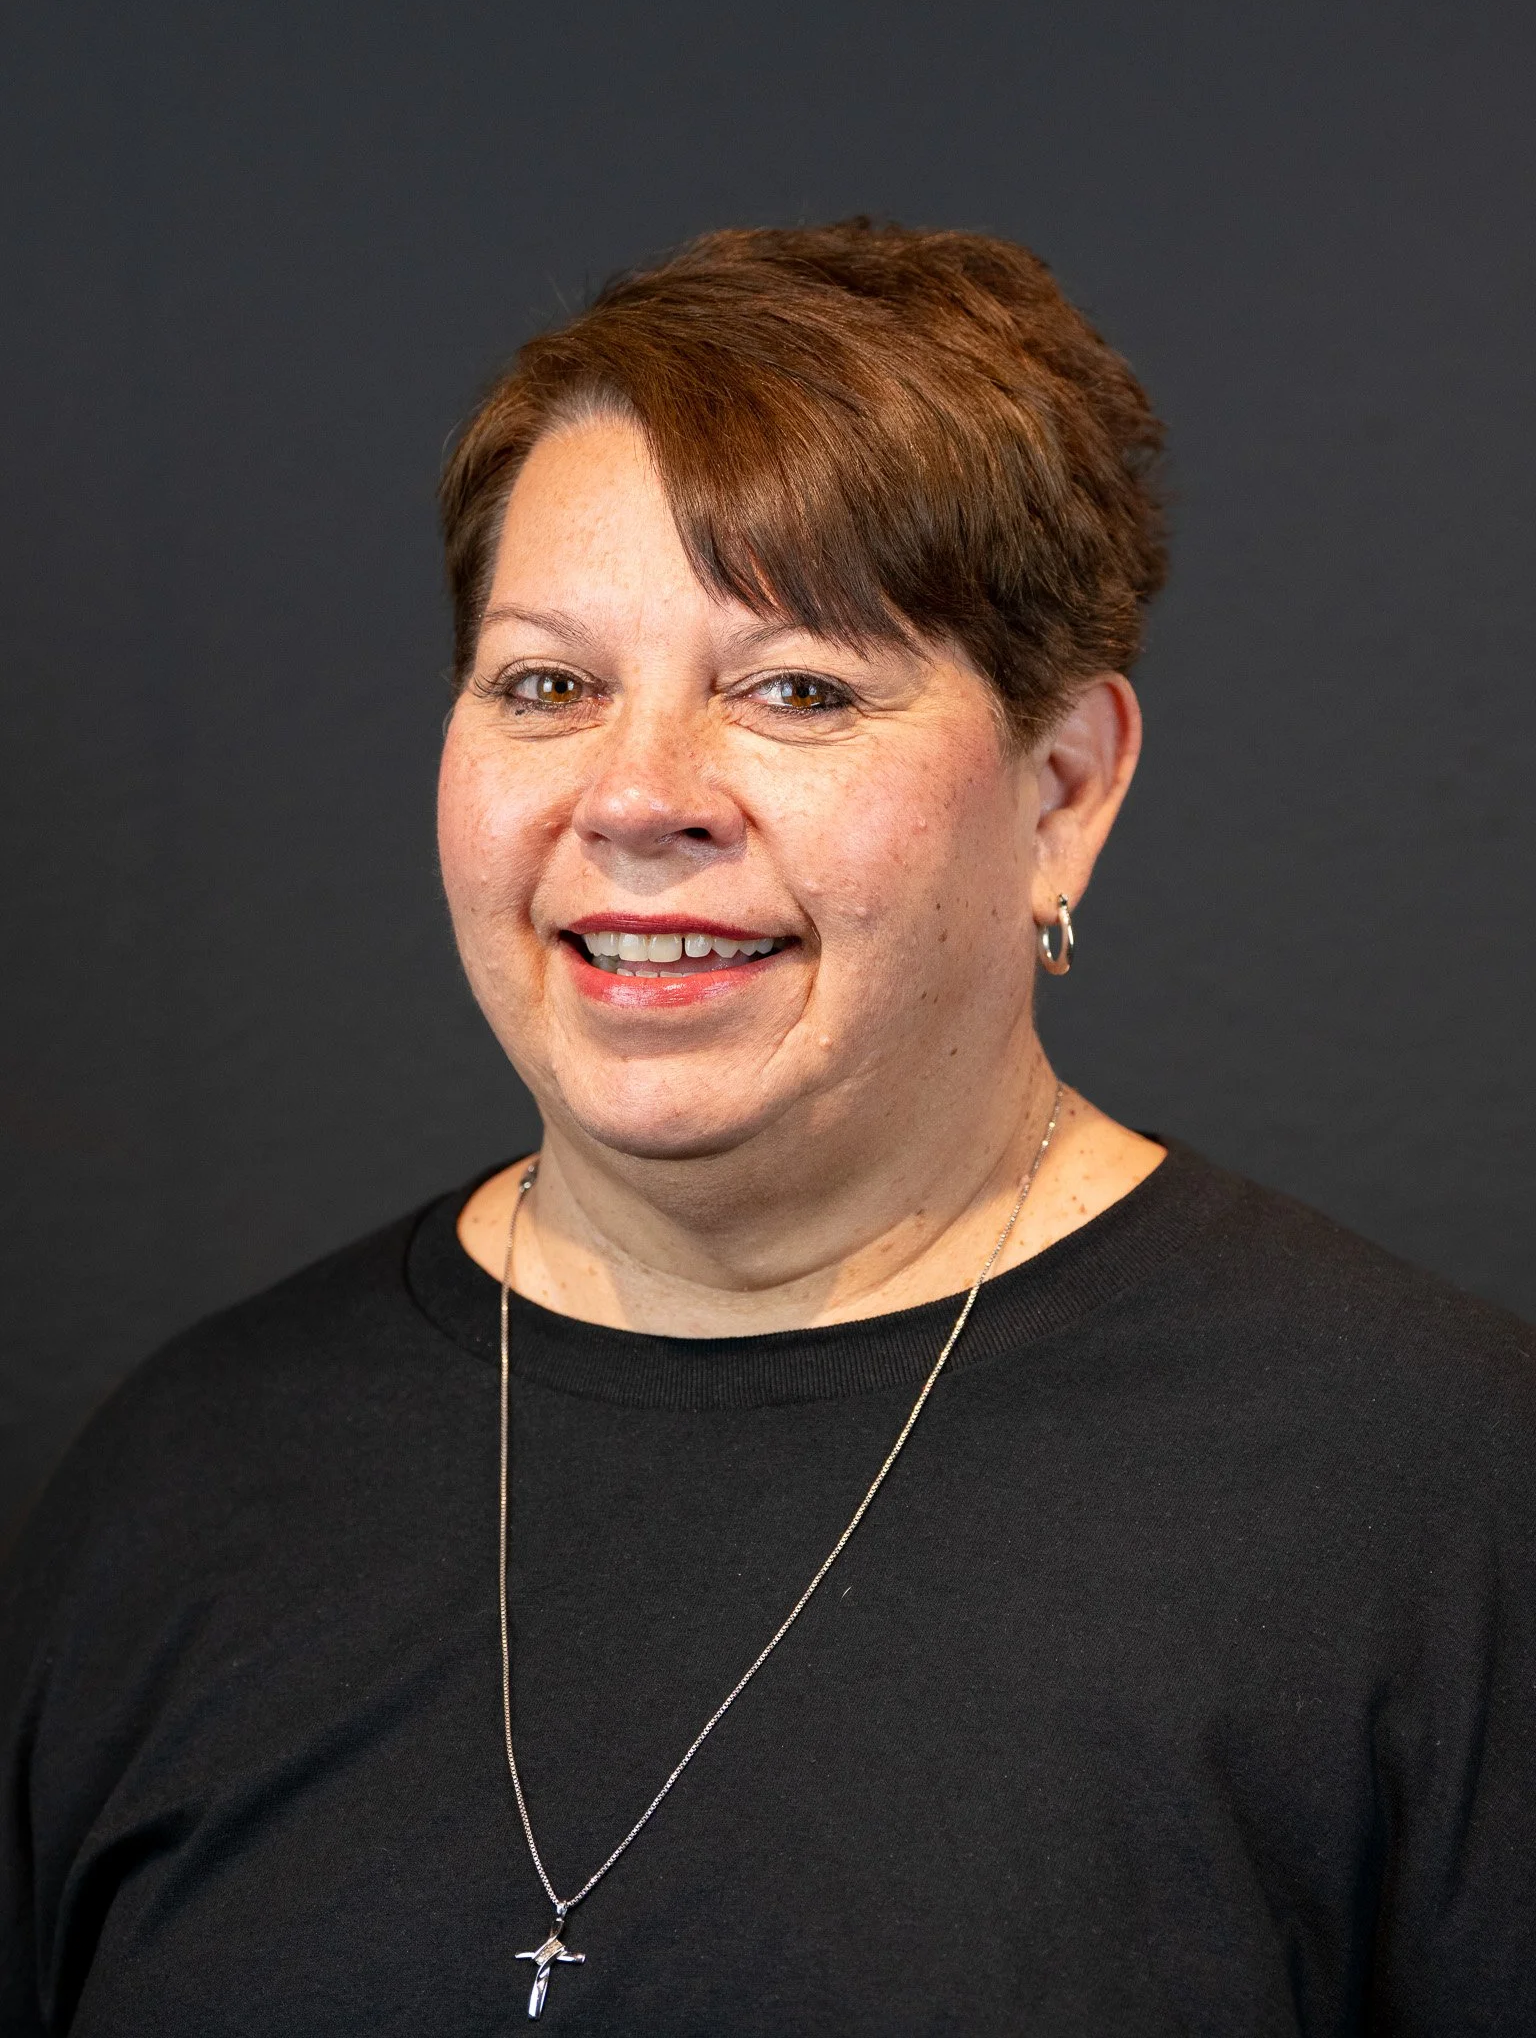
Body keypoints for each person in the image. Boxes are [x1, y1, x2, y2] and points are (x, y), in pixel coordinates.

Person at [2, 219, 1533, 2037]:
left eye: (795, 686)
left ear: (1063, 792)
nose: (637, 797)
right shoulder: (183, 1481)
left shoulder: (1438, 1498)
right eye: (548, 684)